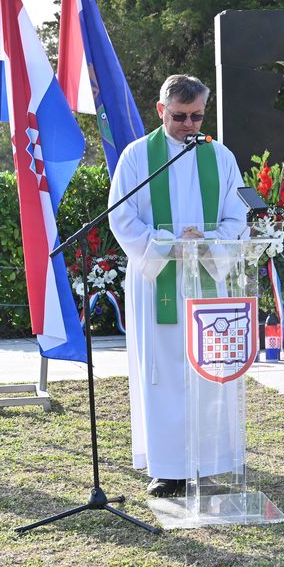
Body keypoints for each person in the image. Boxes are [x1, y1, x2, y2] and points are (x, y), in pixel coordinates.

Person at [108, 74, 250, 497]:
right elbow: (121, 217)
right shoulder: (137, 156)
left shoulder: (220, 156)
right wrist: (169, 244)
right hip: (159, 283)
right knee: (163, 374)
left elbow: (237, 216)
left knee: (209, 370)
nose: (189, 125)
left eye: (197, 117)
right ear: (160, 110)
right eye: (180, 116)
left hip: (208, 282)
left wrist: (206, 242)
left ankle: (209, 464)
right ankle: (167, 468)